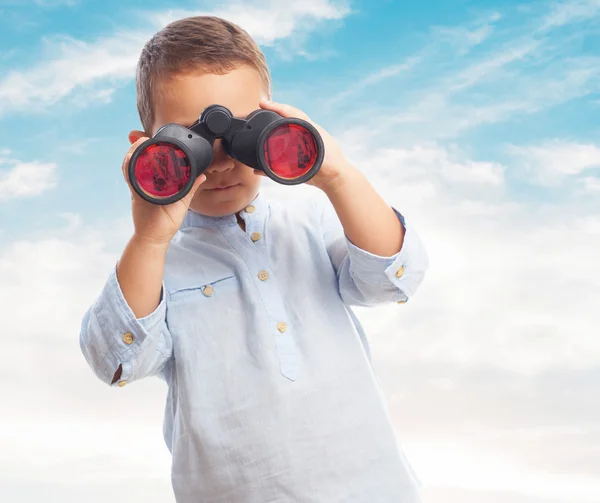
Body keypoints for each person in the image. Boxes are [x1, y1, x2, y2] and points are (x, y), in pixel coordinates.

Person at [79, 15, 429, 503]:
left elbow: (393, 278)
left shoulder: (310, 219)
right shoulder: (158, 264)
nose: (221, 162)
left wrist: (337, 175)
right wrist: (150, 239)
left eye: (244, 134)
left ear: (276, 122)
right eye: (192, 145)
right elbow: (114, 360)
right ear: (148, 147)